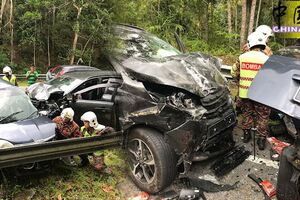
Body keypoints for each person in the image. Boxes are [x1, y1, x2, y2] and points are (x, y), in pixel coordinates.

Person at [231, 31, 271, 150]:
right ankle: (261, 140)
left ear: (250, 43)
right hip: (261, 95)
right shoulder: (267, 59)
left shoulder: (242, 57)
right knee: (262, 117)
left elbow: (233, 73)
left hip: (245, 94)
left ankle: (247, 135)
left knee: (247, 114)